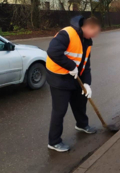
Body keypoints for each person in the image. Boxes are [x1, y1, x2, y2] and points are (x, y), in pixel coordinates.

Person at [46, 16, 101, 152]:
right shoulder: (67, 34)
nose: (95, 35)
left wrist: (87, 83)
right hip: (58, 76)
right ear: (88, 27)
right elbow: (53, 51)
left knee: (80, 101)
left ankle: (82, 125)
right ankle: (54, 141)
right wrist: (70, 66)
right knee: (60, 110)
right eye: (94, 32)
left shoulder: (87, 41)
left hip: (75, 76)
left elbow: (86, 65)